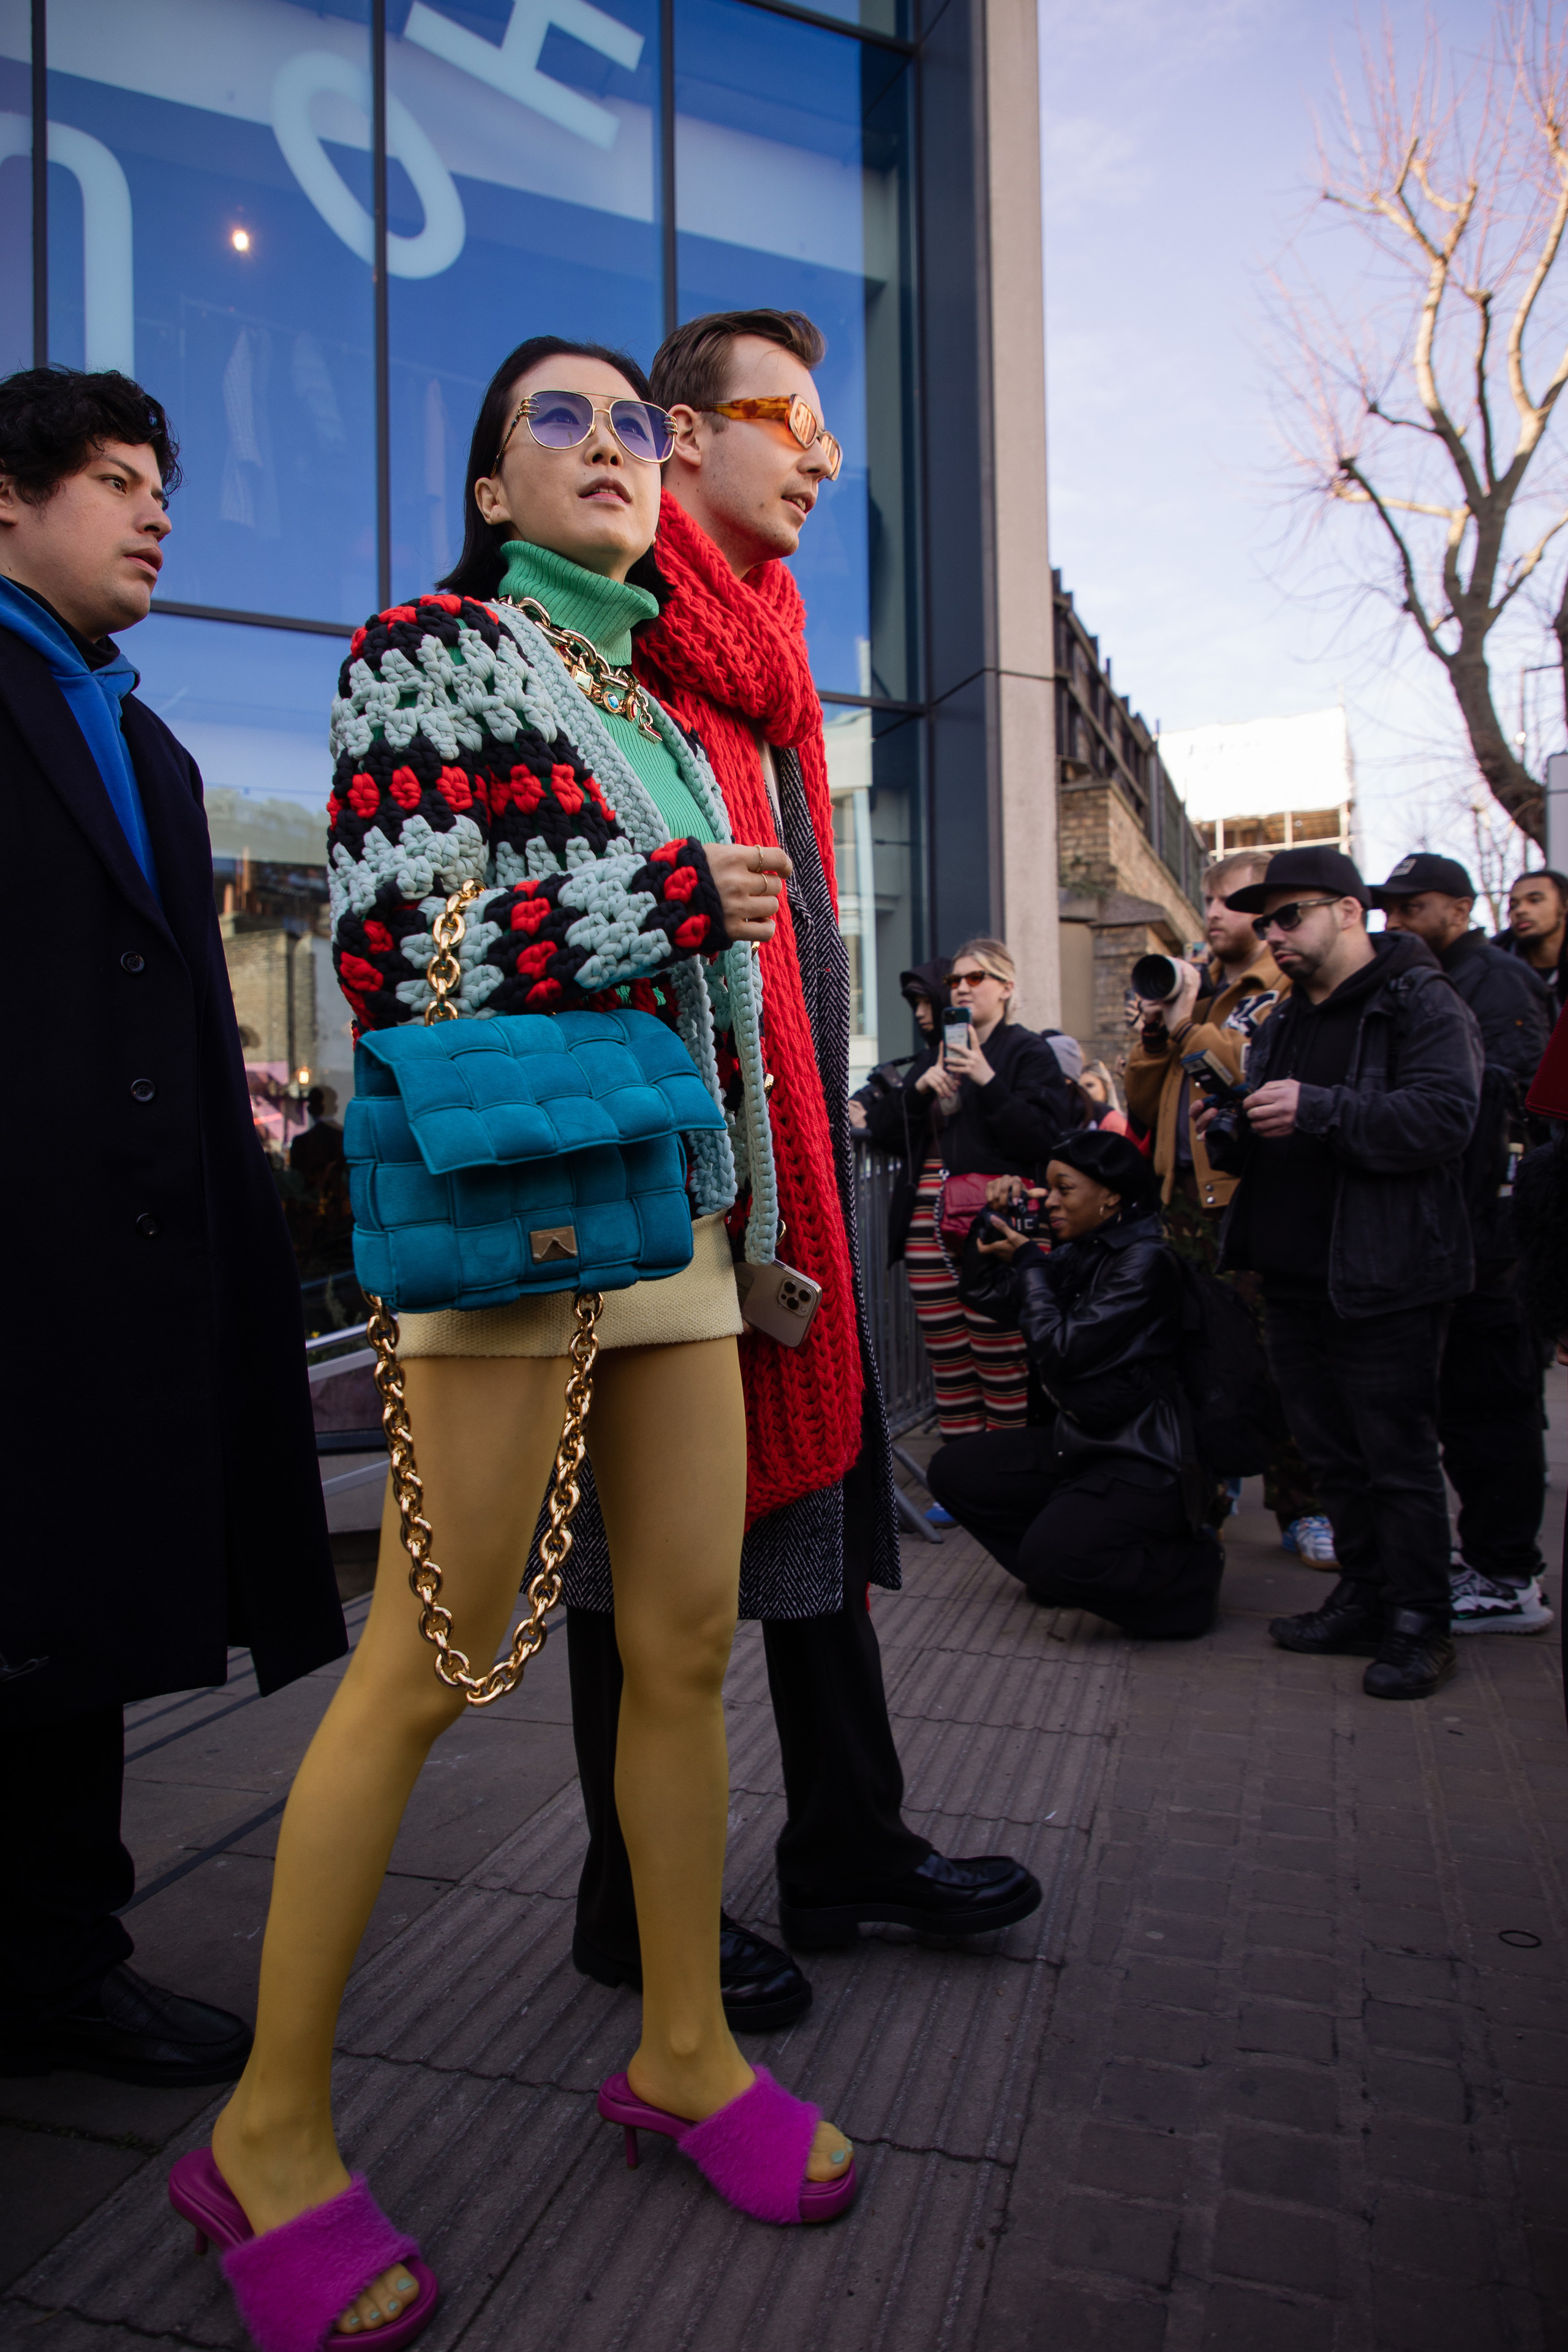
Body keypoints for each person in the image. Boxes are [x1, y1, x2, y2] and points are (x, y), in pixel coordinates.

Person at [182, 339, 854, 2352]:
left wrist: (757, 1223)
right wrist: (664, 893)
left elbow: (699, 986)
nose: (613, 451)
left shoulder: (659, 705)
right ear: (489, 488)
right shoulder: (424, 652)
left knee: (682, 1644)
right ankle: (267, 2134)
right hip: (507, 1201)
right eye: (559, 422)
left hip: (670, 1208)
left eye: (638, 428)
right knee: (433, 1653)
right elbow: (398, 940)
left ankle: (678, 2049)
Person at [555, 306, 1038, 2024]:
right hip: (665, 1183)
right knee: (640, 1563)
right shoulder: (600, 633)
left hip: (793, 1180)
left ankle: (849, 1844)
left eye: (829, 428)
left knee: (825, 1510)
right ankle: (629, 1909)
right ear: (682, 438)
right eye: (789, 419)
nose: (824, 454)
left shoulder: (762, 650)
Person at [0, 368, 345, 2089]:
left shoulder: (145, 737)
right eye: (119, 482)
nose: (154, 515)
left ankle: (61, 1964)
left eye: (164, 489)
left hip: (125, 1272)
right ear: (9, 499)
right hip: (21, 1261)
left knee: (72, 1635)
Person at [1206, 846, 1483, 1702]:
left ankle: (1418, 1624)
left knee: (1396, 1458)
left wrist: (1319, 1109)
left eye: (1290, 916)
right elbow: (1275, 1126)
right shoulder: (1286, 1016)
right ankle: (1363, 1598)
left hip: (1385, 1275)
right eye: (1266, 921)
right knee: (1333, 1458)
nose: (1273, 933)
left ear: (1348, 912)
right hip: (1292, 1276)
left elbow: (1447, 1117)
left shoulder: (1416, 999)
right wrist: (1237, 1126)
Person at [925, 1131, 1223, 1637]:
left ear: (1111, 1195)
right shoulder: (1083, 1249)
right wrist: (991, 1223)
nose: (1051, 1201)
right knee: (956, 1471)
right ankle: (1061, 1568)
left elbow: (1061, 1347)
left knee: (1055, 1557)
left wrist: (1031, 1264)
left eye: (1065, 1189)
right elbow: (988, 1295)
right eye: (1048, 1190)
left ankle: (1187, 1574)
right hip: (1081, 1443)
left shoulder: (1146, 1261)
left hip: (1143, 1459)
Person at [1123, 850, 1328, 1563]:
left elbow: (1246, 1078)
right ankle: (1207, 1495)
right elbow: (1143, 1106)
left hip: (1246, 1202)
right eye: (1206, 899)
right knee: (1199, 1356)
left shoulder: (1280, 991)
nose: (1210, 914)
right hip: (1180, 1200)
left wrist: (1182, 1027)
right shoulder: (1203, 996)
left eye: (1228, 900)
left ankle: (1304, 1506)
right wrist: (1155, 1031)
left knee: (1274, 1359)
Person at [1373, 853, 1555, 1635]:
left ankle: (1509, 1576)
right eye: (1390, 908)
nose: (1397, 922)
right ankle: (1485, 1555)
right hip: (1459, 1240)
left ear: (1457, 908)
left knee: (1493, 1408)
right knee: (1467, 1410)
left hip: (1497, 1243)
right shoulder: (1435, 982)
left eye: (1414, 908)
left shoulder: (1494, 981)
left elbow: (1509, 1111)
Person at [873, 937, 1078, 1436]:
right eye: (955, 980)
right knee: (948, 1360)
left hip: (1000, 1220)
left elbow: (1043, 1137)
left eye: (976, 978)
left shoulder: (1028, 1051)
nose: (962, 988)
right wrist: (919, 1091)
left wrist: (987, 1079)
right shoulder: (937, 1055)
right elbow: (884, 1131)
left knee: (1001, 1357)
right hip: (928, 1223)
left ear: (1006, 987)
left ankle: (1002, 1483)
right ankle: (961, 1480)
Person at [1496, 867, 1568, 1016]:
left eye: (1535, 900)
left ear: (1565, 906)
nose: (1520, 910)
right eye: (1514, 905)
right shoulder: (1493, 970)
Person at [1074, 1058, 1131, 1135]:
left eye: (1090, 1085)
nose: (1084, 1091)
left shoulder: (1115, 1123)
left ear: (1107, 1087)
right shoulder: (1076, 1122)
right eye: (1080, 1087)